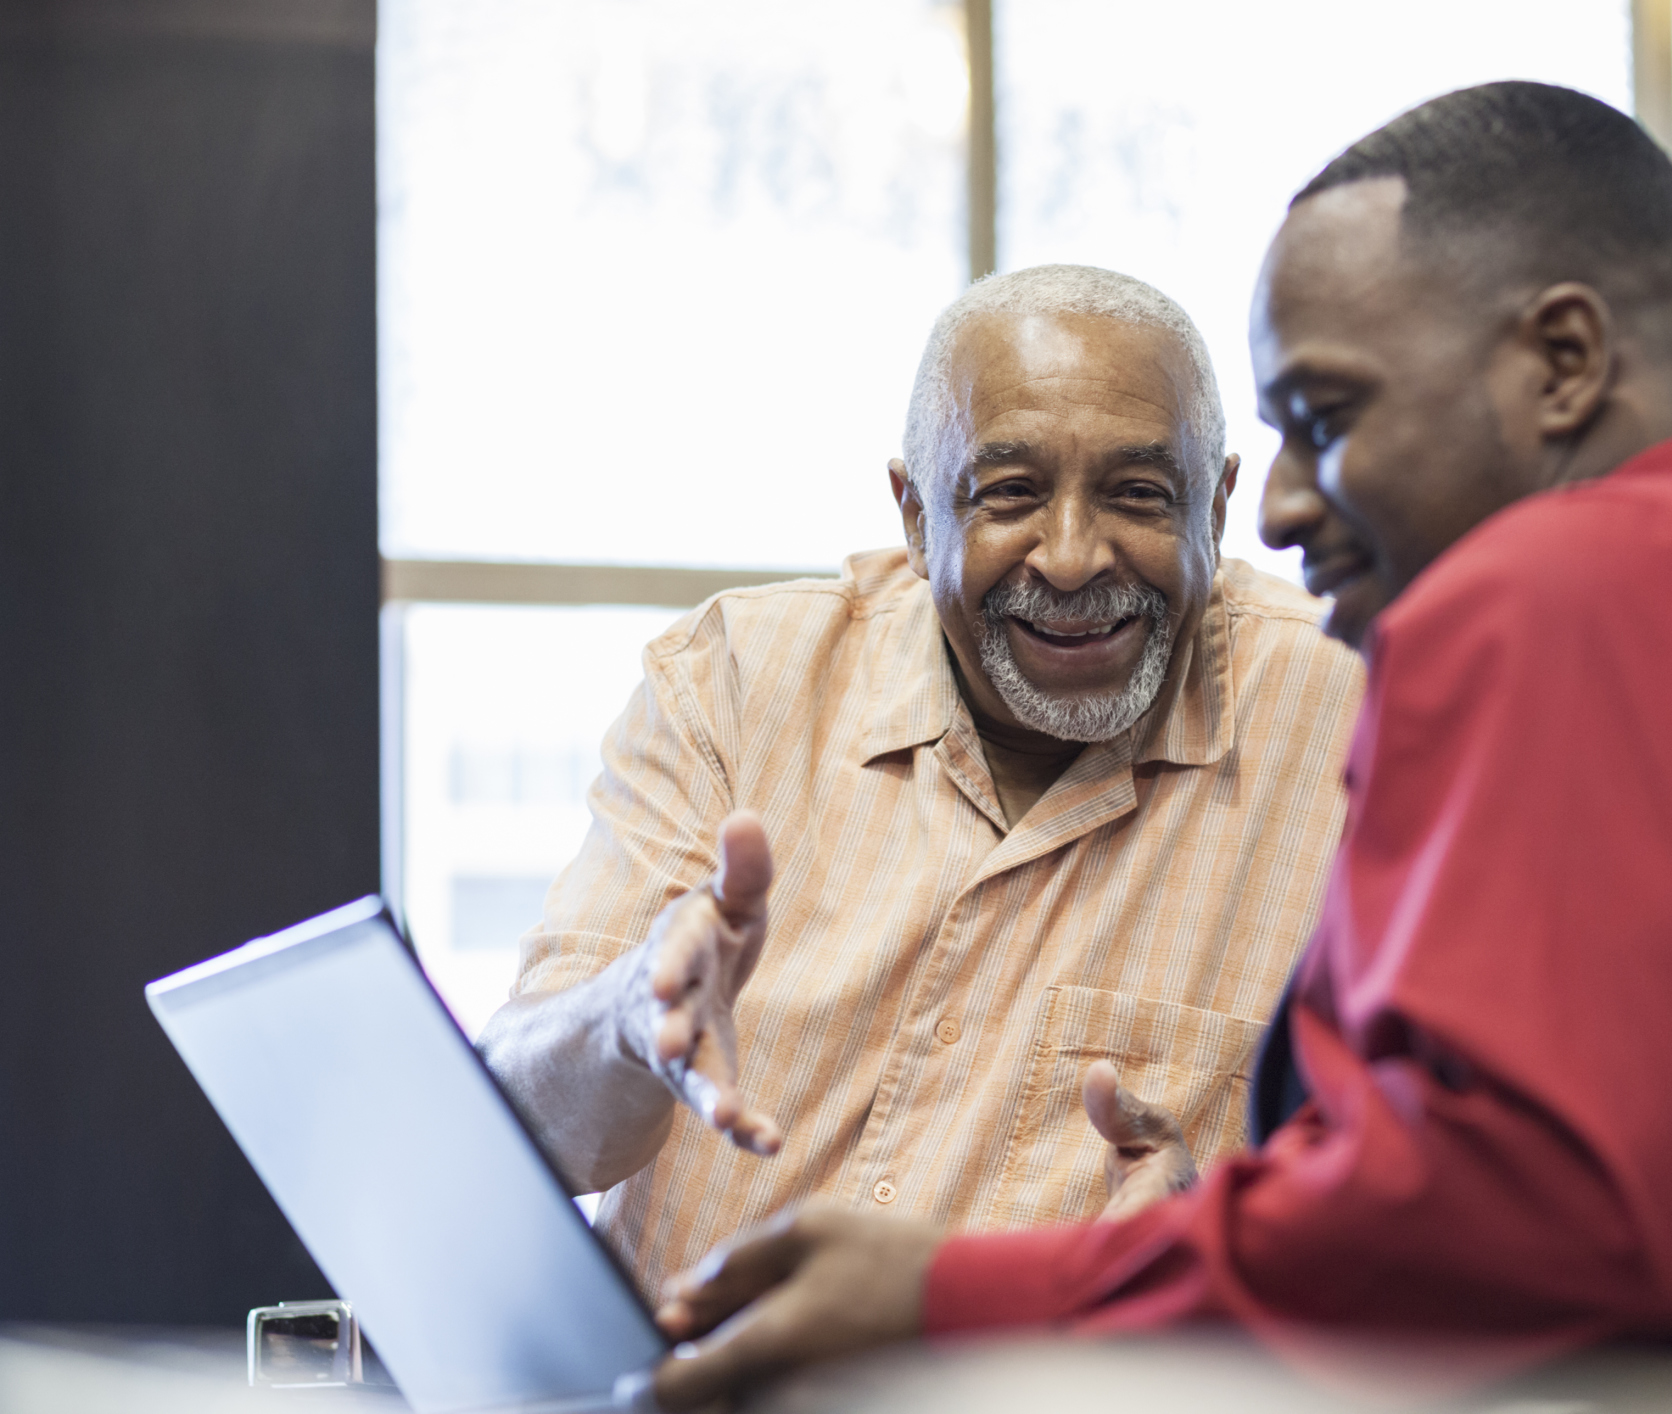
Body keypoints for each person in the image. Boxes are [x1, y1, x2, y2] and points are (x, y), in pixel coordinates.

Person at [640, 83, 1672, 1407]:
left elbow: (1532, 1212)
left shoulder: (1579, 582)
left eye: (1327, 418)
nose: (1282, 511)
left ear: (1564, 361)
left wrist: (952, 1288)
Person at [476, 265, 1364, 1296]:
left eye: (1137, 494)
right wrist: (625, 1019)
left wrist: (1212, 1266)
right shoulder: (733, 682)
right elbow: (521, 1135)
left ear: (1214, 504)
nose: (1072, 558)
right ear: (911, 513)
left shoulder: (1354, 718)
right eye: (1009, 493)